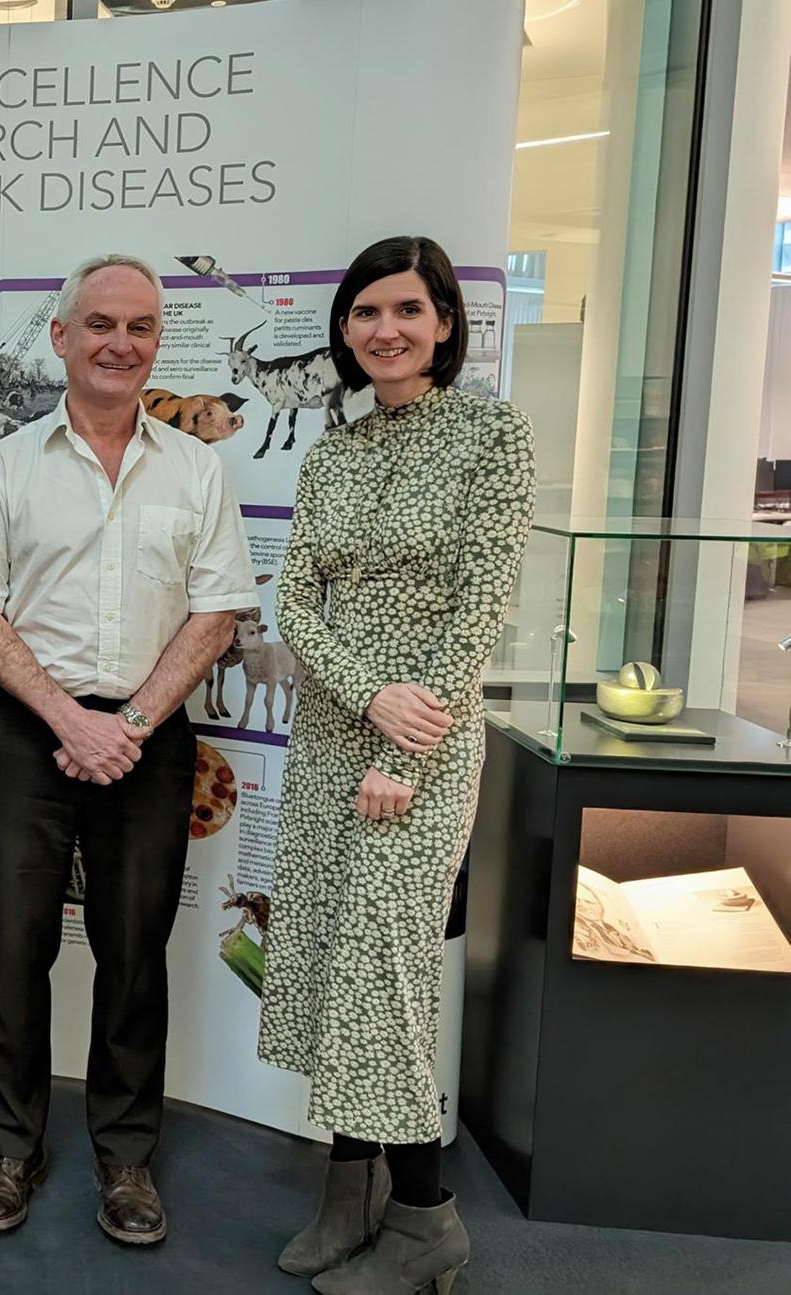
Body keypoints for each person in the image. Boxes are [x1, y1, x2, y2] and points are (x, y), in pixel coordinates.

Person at [0, 254, 257, 1245]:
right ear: (63, 337)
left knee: (133, 951)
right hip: (30, 734)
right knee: (13, 946)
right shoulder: (4, 465)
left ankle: (124, 1156)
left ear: (158, 343)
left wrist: (130, 721)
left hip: (148, 737)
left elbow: (216, 613)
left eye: (142, 327)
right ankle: (11, 1148)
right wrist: (71, 721)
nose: (122, 342)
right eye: (102, 324)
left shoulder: (197, 469)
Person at [257, 235, 534, 1294]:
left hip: (426, 742)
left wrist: (399, 737)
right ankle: (349, 1188)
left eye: (407, 310)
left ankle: (426, 1219)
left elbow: (480, 607)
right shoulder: (334, 449)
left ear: (447, 323)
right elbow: (296, 602)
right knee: (334, 951)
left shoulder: (493, 438)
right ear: (345, 329)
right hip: (333, 732)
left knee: (382, 963)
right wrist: (361, 693)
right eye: (366, 311)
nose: (385, 329)